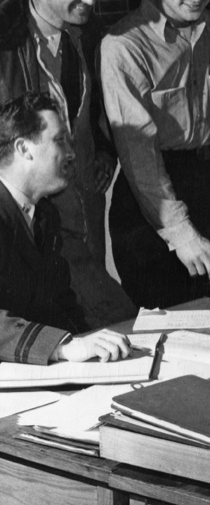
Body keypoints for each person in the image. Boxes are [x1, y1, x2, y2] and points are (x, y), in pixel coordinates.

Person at [100, 0, 210, 309]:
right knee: (165, 322)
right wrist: (181, 234)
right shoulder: (123, 45)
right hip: (154, 201)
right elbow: (138, 152)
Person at [0, 0, 135, 330]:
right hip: (24, 225)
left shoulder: (90, 34)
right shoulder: (4, 40)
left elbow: (101, 107)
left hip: (83, 214)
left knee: (101, 327)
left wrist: (105, 150)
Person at [0, 92, 132, 364]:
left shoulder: (45, 215)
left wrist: (92, 345)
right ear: (24, 149)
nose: (71, 153)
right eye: (59, 140)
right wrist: (62, 347)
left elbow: (59, 304)